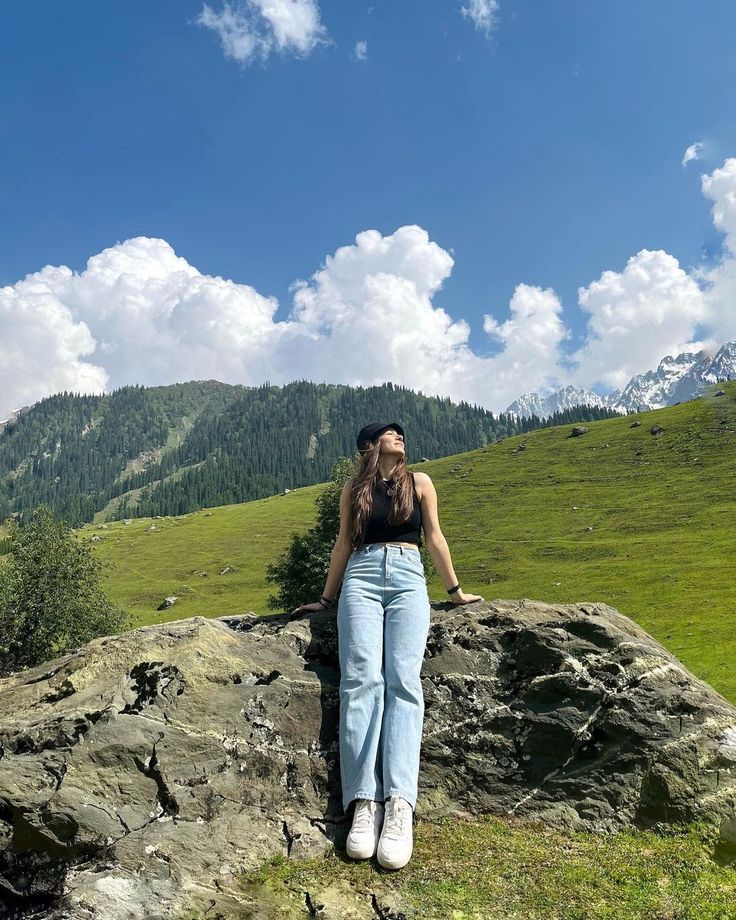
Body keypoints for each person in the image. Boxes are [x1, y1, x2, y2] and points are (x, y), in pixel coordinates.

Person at [291, 421, 483, 870]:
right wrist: (325, 599)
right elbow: (342, 543)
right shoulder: (353, 489)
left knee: (403, 682)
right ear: (370, 446)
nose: (400, 436)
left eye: (401, 433)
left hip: (407, 575)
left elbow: (433, 537)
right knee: (361, 680)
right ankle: (364, 803)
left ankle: (399, 805)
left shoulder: (420, 482)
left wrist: (455, 592)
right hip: (359, 576)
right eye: (389, 433)